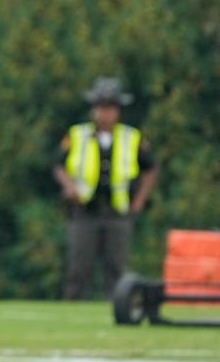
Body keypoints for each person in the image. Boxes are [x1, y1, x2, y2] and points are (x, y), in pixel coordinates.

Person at [53, 77, 158, 300]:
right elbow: (58, 165)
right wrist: (70, 187)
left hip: (118, 210)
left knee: (116, 267)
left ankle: (115, 309)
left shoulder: (132, 137)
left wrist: (139, 199)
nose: (105, 113)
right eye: (101, 107)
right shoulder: (77, 135)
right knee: (79, 267)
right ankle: (73, 309)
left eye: (110, 108)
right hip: (84, 210)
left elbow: (150, 168)